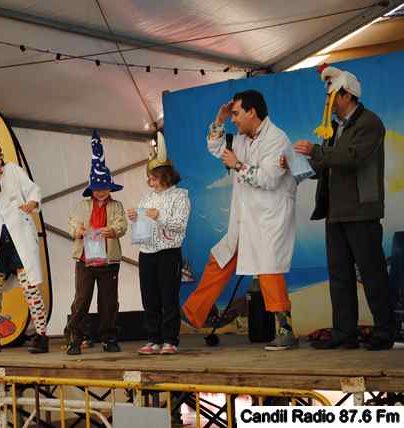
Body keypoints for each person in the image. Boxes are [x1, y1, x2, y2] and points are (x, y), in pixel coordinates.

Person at [181, 89, 299, 351]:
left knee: (268, 270)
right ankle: (193, 313)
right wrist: (219, 120)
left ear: (251, 112)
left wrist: (237, 165)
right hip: (246, 218)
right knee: (220, 258)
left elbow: (269, 178)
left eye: (235, 114)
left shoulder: (277, 139)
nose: (233, 119)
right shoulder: (243, 139)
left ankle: (285, 330)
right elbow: (216, 147)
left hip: (269, 218)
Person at [293, 64, 394, 351]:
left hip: (361, 211)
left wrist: (316, 151)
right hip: (335, 212)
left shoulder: (370, 123)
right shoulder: (335, 128)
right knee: (340, 276)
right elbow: (326, 163)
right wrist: (299, 165)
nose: (329, 103)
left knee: (372, 273)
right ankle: (344, 333)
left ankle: (385, 332)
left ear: (347, 95)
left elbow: (351, 157)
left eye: (332, 97)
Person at [0, 139, 49, 354]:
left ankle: (41, 335)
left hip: (20, 237)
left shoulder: (13, 170)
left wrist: (32, 203)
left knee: (30, 288)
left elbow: (33, 189)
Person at [127, 132, 191, 355]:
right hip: (147, 252)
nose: (151, 182)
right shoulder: (147, 198)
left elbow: (179, 225)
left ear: (166, 176)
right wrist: (136, 219)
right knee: (149, 297)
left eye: (154, 178)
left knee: (168, 296)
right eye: (150, 178)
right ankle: (153, 339)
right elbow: (144, 223)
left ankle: (170, 340)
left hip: (168, 253)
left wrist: (158, 216)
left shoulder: (180, 196)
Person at [65, 131, 128, 355]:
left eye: (105, 187)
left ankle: (109, 338)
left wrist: (113, 230)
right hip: (85, 260)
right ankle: (75, 338)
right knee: (82, 300)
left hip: (109, 261)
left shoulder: (117, 206)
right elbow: (71, 224)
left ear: (111, 188)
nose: (101, 191)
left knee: (109, 301)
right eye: (97, 188)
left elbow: (122, 225)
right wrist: (78, 231)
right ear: (91, 189)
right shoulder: (81, 206)